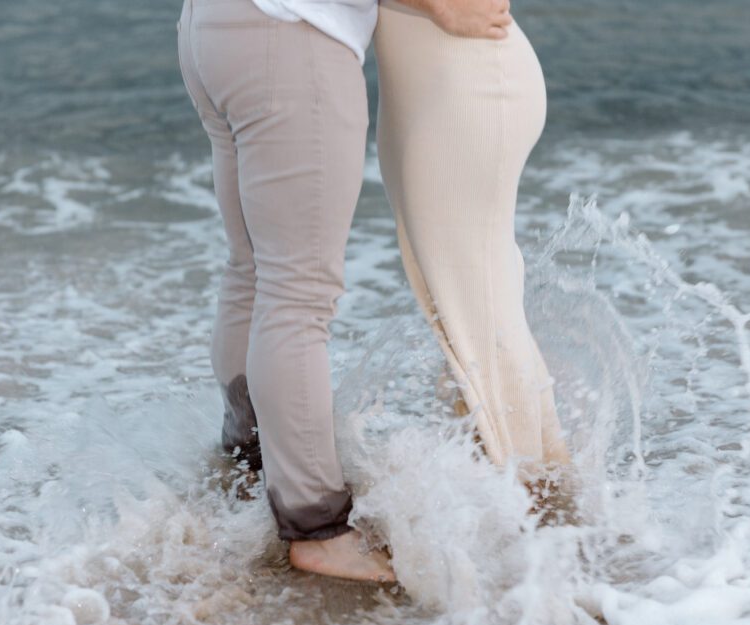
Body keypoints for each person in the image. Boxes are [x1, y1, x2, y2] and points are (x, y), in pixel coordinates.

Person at [175, 0, 515, 583]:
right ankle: (316, 527)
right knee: (297, 293)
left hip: (213, 27)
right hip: (290, 36)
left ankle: (251, 460)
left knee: (254, 270)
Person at [375, 1, 572, 470]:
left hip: (469, 84)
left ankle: (539, 508)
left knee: (479, 325)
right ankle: (542, 501)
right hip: (424, 89)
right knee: (462, 319)